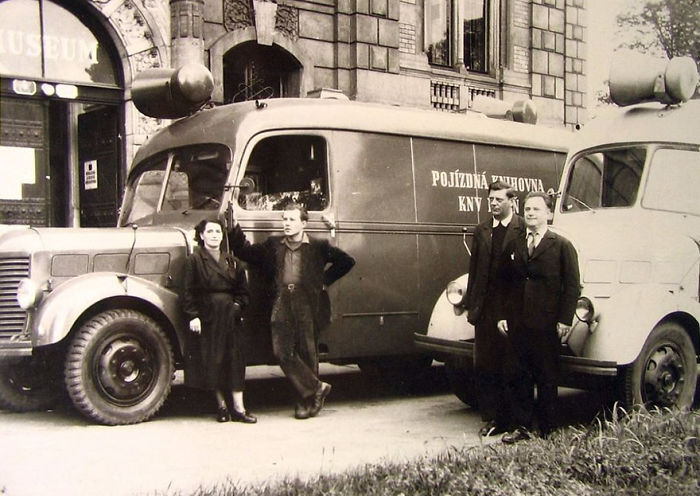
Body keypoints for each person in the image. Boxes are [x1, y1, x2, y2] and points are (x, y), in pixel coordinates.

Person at [228, 203, 355, 419]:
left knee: (307, 351)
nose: (287, 224)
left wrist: (324, 281)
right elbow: (245, 252)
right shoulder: (273, 245)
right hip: (282, 300)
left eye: (292, 220)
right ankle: (316, 389)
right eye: (285, 219)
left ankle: (306, 402)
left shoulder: (318, 246)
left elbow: (347, 261)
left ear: (303, 223)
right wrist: (233, 229)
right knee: (282, 351)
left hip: (308, 302)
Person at [497, 191, 580, 443]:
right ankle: (522, 427)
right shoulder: (515, 243)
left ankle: (547, 429)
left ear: (549, 214)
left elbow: (573, 286)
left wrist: (564, 320)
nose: (530, 213)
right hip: (518, 322)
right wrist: (503, 315)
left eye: (536, 209)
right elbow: (505, 282)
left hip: (546, 324)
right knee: (518, 375)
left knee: (546, 376)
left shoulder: (562, 245)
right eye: (527, 209)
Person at [464, 180, 524, 437]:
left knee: (511, 365)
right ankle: (492, 418)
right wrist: (471, 306)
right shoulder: (482, 230)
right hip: (486, 309)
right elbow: (474, 270)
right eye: (491, 200)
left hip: (512, 308)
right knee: (486, 365)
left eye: (499, 200)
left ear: (511, 201)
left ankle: (514, 419)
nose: (494, 204)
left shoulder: (522, 228)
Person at [183, 218, 257, 423]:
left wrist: (236, 307)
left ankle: (239, 409)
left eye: (218, 232)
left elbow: (243, 291)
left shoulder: (232, 261)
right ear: (202, 235)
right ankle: (222, 407)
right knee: (213, 360)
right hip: (208, 317)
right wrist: (193, 316)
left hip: (230, 317)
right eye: (210, 231)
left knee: (235, 361)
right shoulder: (194, 260)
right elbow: (188, 292)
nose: (215, 235)